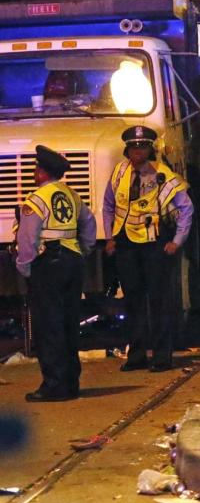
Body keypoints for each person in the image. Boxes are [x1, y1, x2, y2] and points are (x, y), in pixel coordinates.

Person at [103, 126, 194, 372]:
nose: (137, 152)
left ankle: (162, 356)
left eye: (142, 147)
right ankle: (137, 355)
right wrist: (110, 236)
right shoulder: (120, 172)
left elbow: (186, 209)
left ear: (150, 149)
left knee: (159, 302)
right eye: (134, 147)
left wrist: (177, 240)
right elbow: (109, 205)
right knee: (132, 301)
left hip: (155, 246)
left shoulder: (164, 176)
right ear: (127, 149)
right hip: (127, 246)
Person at [15, 146, 96, 401]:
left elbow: (27, 237)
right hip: (73, 261)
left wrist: (24, 266)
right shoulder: (72, 195)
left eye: (36, 168)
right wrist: (84, 249)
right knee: (69, 323)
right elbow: (89, 223)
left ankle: (54, 385)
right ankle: (71, 383)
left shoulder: (36, 199)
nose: (34, 172)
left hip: (47, 264)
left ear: (42, 172)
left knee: (48, 325)